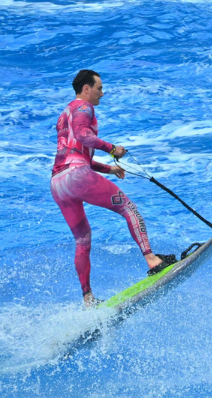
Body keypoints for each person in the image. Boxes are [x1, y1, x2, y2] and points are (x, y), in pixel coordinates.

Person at [50, 69, 175, 307]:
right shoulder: (84, 108)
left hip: (59, 183)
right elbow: (84, 135)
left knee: (83, 240)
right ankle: (152, 259)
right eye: (99, 88)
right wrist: (112, 148)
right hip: (78, 176)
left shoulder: (63, 115)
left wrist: (111, 169)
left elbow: (77, 154)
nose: (102, 93)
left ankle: (88, 299)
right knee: (128, 208)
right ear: (86, 88)